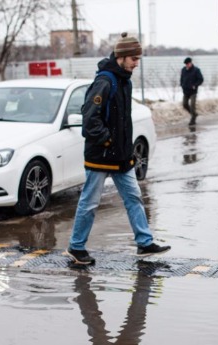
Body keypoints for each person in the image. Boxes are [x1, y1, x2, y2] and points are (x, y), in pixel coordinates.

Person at [68, 33, 170, 265]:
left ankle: (144, 244)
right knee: (90, 203)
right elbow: (89, 119)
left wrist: (124, 147)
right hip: (101, 156)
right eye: (133, 58)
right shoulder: (105, 81)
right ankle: (76, 247)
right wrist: (107, 141)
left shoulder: (125, 80)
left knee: (134, 197)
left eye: (138, 58)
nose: (136, 63)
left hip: (121, 156)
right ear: (121, 57)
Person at [180, 57, 204, 125]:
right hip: (186, 91)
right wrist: (182, 85)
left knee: (192, 105)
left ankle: (193, 119)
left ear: (191, 63)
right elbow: (182, 79)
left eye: (188, 64)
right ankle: (194, 114)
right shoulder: (183, 70)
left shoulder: (196, 70)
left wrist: (195, 85)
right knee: (184, 104)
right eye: (186, 64)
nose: (187, 65)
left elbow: (201, 79)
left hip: (193, 91)